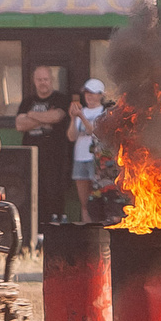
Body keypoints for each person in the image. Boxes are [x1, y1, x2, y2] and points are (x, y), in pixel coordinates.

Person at [11, 64, 70, 225]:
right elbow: (19, 125)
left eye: (45, 79)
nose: (43, 82)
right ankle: (37, 227)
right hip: (31, 157)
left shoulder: (60, 99)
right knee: (33, 192)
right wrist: (44, 118)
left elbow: (56, 117)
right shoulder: (27, 101)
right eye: (39, 79)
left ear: (51, 80)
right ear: (34, 81)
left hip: (54, 156)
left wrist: (31, 116)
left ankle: (55, 224)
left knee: (53, 192)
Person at [68, 78, 107, 224]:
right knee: (84, 202)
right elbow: (71, 137)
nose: (89, 96)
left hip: (96, 160)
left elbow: (94, 132)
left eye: (93, 93)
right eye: (87, 93)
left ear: (100, 95)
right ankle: (87, 229)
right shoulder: (80, 112)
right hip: (80, 158)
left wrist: (81, 117)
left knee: (97, 198)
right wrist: (73, 119)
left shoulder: (103, 112)